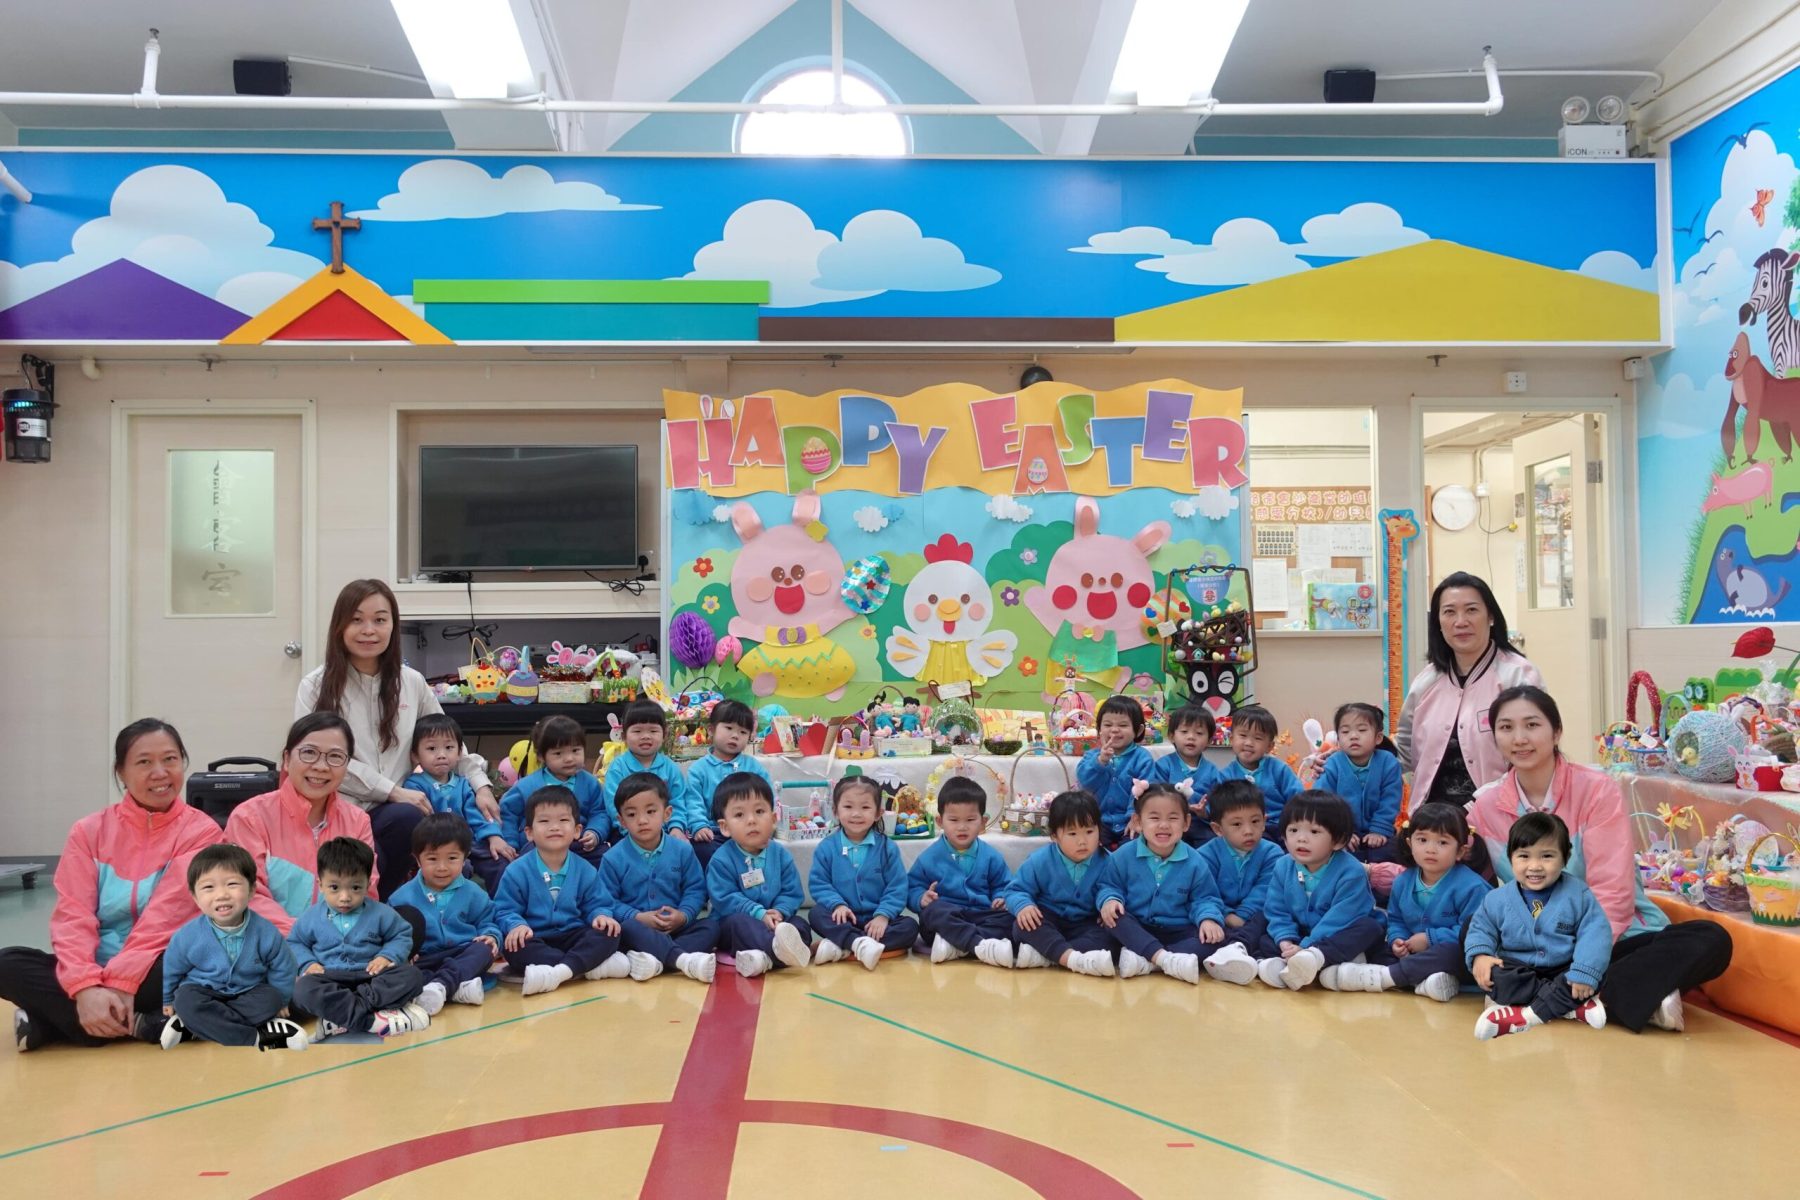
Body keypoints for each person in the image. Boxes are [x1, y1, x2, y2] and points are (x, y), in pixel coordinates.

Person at [1468, 685, 1732, 1033]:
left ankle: (1552, 993)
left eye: (1532, 725)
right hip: (1536, 947)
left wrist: (1587, 959)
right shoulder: (1486, 806)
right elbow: (1476, 887)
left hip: (1613, 937)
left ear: (1556, 732)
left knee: (1711, 939)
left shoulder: (1596, 789)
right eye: (1506, 727)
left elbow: (1613, 890)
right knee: (1469, 931)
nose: (1519, 738)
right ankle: (1619, 997)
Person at [0, 718, 221, 1051]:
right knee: (7, 963)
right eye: (144, 762)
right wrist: (85, 986)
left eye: (170, 759)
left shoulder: (202, 833)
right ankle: (139, 1024)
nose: (160, 772)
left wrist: (123, 981)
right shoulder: (89, 832)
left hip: (155, 967)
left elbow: (166, 919)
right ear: (121, 771)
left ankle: (57, 1024)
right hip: (96, 964)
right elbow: (73, 916)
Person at [298, 579, 496, 891]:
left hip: (395, 811)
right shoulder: (315, 686)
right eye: (357, 620)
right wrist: (391, 790)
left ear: (393, 625)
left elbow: (447, 741)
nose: (369, 630)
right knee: (371, 855)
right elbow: (317, 761)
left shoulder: (411, 682)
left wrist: (481, 785)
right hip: (338, 806)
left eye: (380, 620)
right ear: (340, 626)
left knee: (410, 818)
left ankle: (391, 905)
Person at [1395, 572, 1542, 809]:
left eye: (1471, 610)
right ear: (1438, 622)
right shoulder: (1426, 681)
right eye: (1449, 612)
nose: (1460, 621)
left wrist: (1477, 808)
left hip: (1499, 814)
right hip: (1432, 819)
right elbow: (1404, 749)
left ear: (1491, 616)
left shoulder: (1517, 676)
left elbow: (1536, 751)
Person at [1466, 812, 1611, 1040]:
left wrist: (1584, 971)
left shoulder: (1579, 895)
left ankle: (1526, 1014)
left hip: (1564, 968)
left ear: (1565, 858)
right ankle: (1571, 1005)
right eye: (1524, 856)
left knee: (1593, 972)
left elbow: (1595, 932)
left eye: (1547, 856)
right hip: (1519, 969)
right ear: (1510, 857)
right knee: (1496, 977)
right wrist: (1480, 956)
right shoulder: (1496, 899)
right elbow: (1480, 928)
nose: (1534, 866)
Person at [227, 713, 379, 930]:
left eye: (335, 756)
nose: (321, 766)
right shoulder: (249, 817)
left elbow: (365, 894)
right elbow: (247, 895)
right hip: (268, 942)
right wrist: (303, 938)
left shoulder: (357, 822)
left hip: (338, 943)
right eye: (309, 753)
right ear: (287, 759)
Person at [1323, 802, 1490, 1001]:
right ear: (1410, 844)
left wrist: (1430, 939)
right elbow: (1396, 919)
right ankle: (1423, 983)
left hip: (1452, 955)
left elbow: (1474, 932)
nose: (1431, 849)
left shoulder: (1473, 887)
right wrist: (1398, 939)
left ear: (1460, 851)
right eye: (1422, 840)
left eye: (1443, 843)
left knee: (1450, 953)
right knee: (1379, 942)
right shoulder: (1403, 881)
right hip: (1413, 954)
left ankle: (1386, 977)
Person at [158, 843, 306, 1051]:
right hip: (204, 992)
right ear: (195, 897)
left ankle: (196, 1026)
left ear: (252, 890)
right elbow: (172, 968)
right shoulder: (187, 936)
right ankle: (255, 1037)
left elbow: (283, 966)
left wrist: (282, 1001)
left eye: (232, 884)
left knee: (271, 999)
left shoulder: (265, 931)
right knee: (185, 1000)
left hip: (249, 992)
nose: (221, 895)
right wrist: (167, 998)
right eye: (208, 887)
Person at [495, 786, 631, 996]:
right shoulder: (516, 871)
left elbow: (597, 903)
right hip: (535, 936)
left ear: (577, 830)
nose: (554, 827)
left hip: (573, 935)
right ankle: (587, 967)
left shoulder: (585, 869)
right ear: (529, 833)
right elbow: (504, 910)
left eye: (563, 820)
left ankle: (561, 971)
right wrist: (516, 925)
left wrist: (601, 915)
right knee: (515, 947)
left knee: (610, 933)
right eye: (544, 821)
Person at [288, 838, 429, 1039]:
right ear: (320, 884)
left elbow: (401, 934)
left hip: (372, 977)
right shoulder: (310, 917)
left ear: (368, 883)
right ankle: (370, 1021)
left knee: (412, 976)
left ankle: (341, 1016)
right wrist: (308, 963)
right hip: (330, 978)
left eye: (355, 888)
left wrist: (387, 956)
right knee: (302, 989)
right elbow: (295, 942)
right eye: (334, 887)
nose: (345, 897)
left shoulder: (381, 913)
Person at [1246, 791, 1383, 991]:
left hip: (1335, 933)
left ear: (1338, 840)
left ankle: (1316, 960)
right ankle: (1291, 963)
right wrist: (1285, 940)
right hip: (1301, 933)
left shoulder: (1351, 871)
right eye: (1293, 830)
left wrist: (1307, 947)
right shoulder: (1283, 865)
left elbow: (1340, 918)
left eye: (1314, 832)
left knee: (1370, 928)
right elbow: (1277, 909)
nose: (1301, 839)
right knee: (1264, 925)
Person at [1094, 783, 1223, 984]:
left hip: (1177, 930)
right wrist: (1110, 900)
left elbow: (1205, 898)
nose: (1164, 825)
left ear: (1186, 823)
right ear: (1137, 822)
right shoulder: (1123, 855)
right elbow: (1109, 885)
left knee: (1216, 939)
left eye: (1173, 818)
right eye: (1154, 818)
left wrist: (1208, 918)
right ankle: (1166, 960)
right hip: (1137, 926)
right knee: (1114, 919)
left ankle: (1149, 962)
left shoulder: (1195, 861)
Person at [599, 773, 718, 984]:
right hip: (638, 930)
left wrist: (683, 915)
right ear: (621, 821)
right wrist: (637, 916)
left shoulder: (682, 850)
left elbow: (695, 889)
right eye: (632, 814)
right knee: (626, 929)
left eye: (651, 811)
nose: (642, 820)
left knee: (711, 927)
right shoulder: (612, 858)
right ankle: (680, 960)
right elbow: (606, 901)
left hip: (676, 928)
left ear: (667, 813)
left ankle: (655, 962)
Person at [386, 813, 501, 1014]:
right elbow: (390, 932)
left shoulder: (474, 893)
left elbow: (487, 921)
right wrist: (403, 951)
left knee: (484, 949)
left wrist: (491, 935)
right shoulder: (400, 898)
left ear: (465, 858)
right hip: (425, 958)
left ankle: (441, 985)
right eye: (432, 859)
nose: (442, 867)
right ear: (418, 859)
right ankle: (456, 989)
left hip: (462, 952)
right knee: (403, 971)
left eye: (452, 858)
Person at [705, 772, 814, 977]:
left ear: (773, 819)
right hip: (737, 922)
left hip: (776, 922)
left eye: (759, 811)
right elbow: (725, 898)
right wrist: (758, 913)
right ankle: (776, 950)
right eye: (739, 815)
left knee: (800, 925)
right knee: (737, 924)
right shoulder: (721, 860)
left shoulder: (780, 854)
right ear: (725, 827)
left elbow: (791, 892)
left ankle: (764, 959)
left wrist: (779, 911)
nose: (751, 820)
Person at [808, 776, 919, 970]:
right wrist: (837, 905)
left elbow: (897, 886)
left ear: (878, 813)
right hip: (843, 919)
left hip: (877, 921)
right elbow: (819, 884)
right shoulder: (826, 848)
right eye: (848, 806)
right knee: (816, 914)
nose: (856, 814)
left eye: (865, 807)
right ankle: (858, 943)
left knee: (910, 927)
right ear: (835, 811)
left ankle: (843, 946)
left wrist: (883, 915)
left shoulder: (887, 848)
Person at [1004, 790, 1116, 977]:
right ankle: (1071, 958)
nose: (1082, 841)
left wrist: (1110, 903)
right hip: (1049, 919)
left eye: (1089, 831)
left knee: (1112, 936)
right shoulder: (1040, 860)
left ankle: (1049, 955)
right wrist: (1024, 906)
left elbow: (1116, 889)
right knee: (1023, 925)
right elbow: (1015, 890)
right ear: (1054, 835)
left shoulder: (1108, 861)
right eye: (1072, 833)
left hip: (1086, 924)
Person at [908, 776, 1014, 968]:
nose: (962, 827)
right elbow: (912, 887)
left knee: (1012, 920)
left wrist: (1001, 898)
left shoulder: (991, 856)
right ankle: (980, 945)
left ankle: (957, 947)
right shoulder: (929, 857)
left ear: (983, 822)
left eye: (970, 820)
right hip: (948, 917)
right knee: (933, 912)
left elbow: (1004, 885)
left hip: (982, 915)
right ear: (940, 821)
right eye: (954, 820)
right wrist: (921, 898)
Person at [404, 713, 512, 894]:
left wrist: (494, 836)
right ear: (415, 755)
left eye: (449, 747)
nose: (441, 755)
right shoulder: (414, 786)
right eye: (431, 748)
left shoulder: (463, 784)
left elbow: (476, 815)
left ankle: (502, 907)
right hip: (439, 848)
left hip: (470, 842)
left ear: (460, 752)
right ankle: (460, 906)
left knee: (499, 862)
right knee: (460, 869)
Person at [1198, 780, 1285, 985]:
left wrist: (1242, 915)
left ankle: (1251, 957)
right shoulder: (1205, 855)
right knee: (1203, 928)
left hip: (1254, 918)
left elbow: (1266, 890)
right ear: (1218, 829)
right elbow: (1204, 892)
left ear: (1264, 821)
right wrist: (1226, 915)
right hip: (1221, 918)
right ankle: (1248, 956)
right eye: (1237, 824)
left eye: (1255, 821)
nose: (1248, 830)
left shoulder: (1272, 853)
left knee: (1272, 918)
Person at [501, 715, 611, 865]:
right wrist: (511, 843)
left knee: (606, 858)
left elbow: (599, 812)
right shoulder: (526, 786)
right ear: (541, 756)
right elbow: (508, 815)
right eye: (558, 753)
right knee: (525, 863)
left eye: (575, 750)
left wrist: (594, 832)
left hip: (578, 843)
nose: (569, 758)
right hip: (539, 845)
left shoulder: (590, 783)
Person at [676, 699, 768, 869]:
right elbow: (693, 802)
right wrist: (699, 825)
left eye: (743, 732)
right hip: (714, 831)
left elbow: (767, 799)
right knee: (702, 849)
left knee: (768, 850)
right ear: (711, 730)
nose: (735, 735)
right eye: (729, 728)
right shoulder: (699, 769)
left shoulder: (754, 767)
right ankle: (714, 884)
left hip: (748, 828)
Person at [1315, 702, 1404, 862]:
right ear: (1338, 738)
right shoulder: (1332, 764)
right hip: (1341, 830)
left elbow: (1390, 800)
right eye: (1345, 731)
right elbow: (1322, 801)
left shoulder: (1388, 762)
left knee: (1388, 854)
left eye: (1362, 730)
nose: (1353, 736)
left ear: (1378, 738)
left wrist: (1379, 829)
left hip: (1380, 829)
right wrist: (1340, 831)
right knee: (1340, 857)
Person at [602, 700, 699, 844]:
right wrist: (629, 829)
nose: (646, 736)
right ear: (624, 737)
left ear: (664, 735)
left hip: (665, 831)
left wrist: (676, 827)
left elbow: (678, 801)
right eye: (637, 731)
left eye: (653, 731)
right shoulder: (618, 768)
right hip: (627, 832)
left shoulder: (670, 768)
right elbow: (613, 805)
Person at [1076, 696, 1156, 848]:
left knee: (1135, 847)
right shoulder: (1092, 756)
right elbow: (1084, 782)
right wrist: (1100, 762)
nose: (1114, 729)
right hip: (1097, 821)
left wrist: (1136, 815)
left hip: (1131, 820)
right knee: (1089, 848)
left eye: (1123, 725)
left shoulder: (1142, 758)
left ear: (1138, 730)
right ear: (1099, 729)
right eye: (1107, 724)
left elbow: (1147, 792)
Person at [1213, 705, 1301, 836]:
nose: (1249, 743)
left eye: (1258, 738)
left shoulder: (1279, 770)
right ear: (1231, 739)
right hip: (1243, 830)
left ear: (1269, 746)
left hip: (1280, 827)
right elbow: (1219, 809)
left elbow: (1298, 799)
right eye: (1243, 735)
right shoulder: (1225, 776)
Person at [1151, 705, 1220, 845]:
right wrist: (1180, 806)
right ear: (1172, 736)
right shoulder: (1164, 765)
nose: (1191, 737)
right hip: (1170, 823)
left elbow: (1218, 803)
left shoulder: (1212, 771)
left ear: (1209, 741)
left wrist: (1205, 812)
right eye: (1184, 731)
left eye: (1199, 733)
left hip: (1200, 824)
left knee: (1212, 843)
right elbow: (1155, 795)